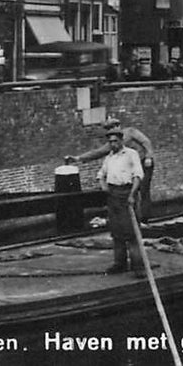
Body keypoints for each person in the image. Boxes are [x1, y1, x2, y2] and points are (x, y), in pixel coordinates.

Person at [68, 118, 155, 218]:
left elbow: (145, 142)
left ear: (118, 126)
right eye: (108, 129)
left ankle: (145, 218)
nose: (111, 130)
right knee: (131, 191)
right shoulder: (112, 142)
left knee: (143, 189)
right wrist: (78, 158)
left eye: (112, 127)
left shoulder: (130, 132)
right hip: (128, 168)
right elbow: (98, 152)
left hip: (143, 162)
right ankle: (132, 218)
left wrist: (149, 157)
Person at [95, 125, 145, 277]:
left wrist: (132, 194)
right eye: (110, 142)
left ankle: (138, 267)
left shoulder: (131, 154)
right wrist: (104, 186)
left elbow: (137, 175)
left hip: (127, 193)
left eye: (115, 141)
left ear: (122, 140)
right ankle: (120, 264)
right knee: (116, 233)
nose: (113, 144)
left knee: (131, 233)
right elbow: (101, 174)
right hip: (113, 195)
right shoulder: (109, 157)